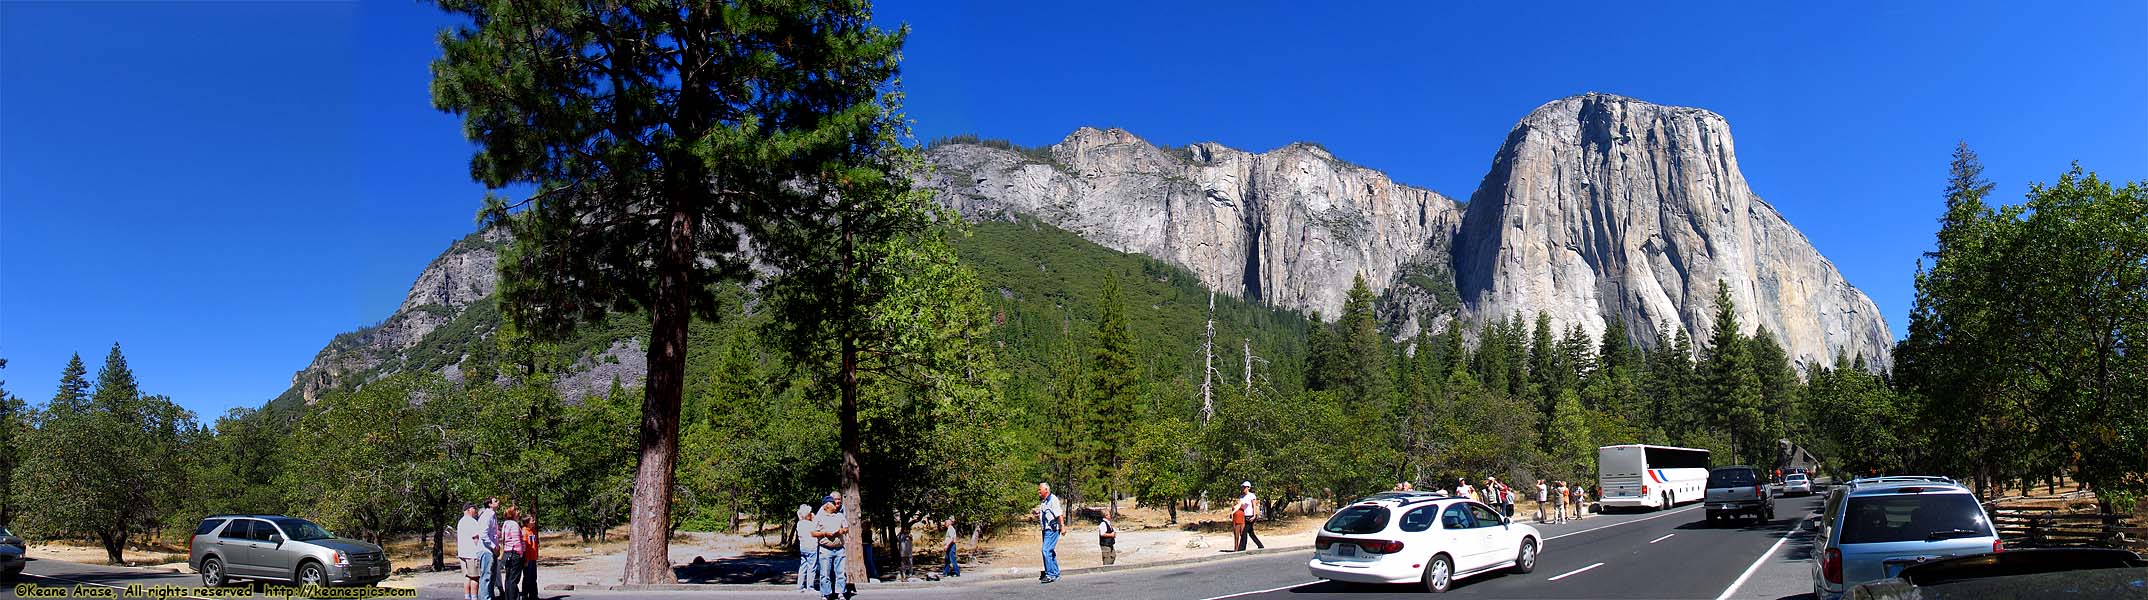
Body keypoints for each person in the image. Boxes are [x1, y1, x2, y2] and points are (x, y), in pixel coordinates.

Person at [812, 493, 850, 600]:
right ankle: (826, 594)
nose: (836, 503)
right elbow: (813, 533)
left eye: (837, 501)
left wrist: (841, 531)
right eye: (833, 502)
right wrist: (825, 533)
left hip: (839, 549)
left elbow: (846, 528)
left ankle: (840, 593)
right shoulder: (819, 516)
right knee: (824, 574)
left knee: (840, 573)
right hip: (825, 549)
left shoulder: (840, 515)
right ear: (827, 505)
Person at [1034, 483, 1064, 584]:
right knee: (1050, 551)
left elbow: (1059, 514)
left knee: (1045, 550)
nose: (1038, 492)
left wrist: (1062, 527)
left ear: (1046, 490)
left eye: (1040, 490)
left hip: (1052, 529)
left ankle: (1050, 574)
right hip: (1046, 530)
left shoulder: (1053, 499)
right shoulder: (1044, 502)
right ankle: (1055, 573)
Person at [499, 507, 527, 600]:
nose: (519, 512)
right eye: (516, 511)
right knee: (513, 579)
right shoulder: (514, 525)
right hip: (514, 553)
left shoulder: (506, 524)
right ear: (513, 514)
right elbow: (516, 541)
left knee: (509, 578)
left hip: (507, 553)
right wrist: (521, 554)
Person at [456, 504, 483, 600]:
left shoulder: (461, 522)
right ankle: (474, 597)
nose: (475, 511)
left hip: (462, 553)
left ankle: (467, 597)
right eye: (474, 509)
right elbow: (476, 538)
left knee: (467, 577)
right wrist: (480, 549)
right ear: (469, 509)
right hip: (472, 554)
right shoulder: (472, 522)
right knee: (475, 578)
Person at [478, 497, 501, 600]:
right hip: (486, 550)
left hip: (492, 551)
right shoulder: (487, 515)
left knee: (492, 577)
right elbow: (483, 534)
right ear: (490, 504)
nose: (498, 502)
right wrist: (493, 546)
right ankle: (485, 598)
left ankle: (490, 596)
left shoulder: (492, 515)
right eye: (495, 501)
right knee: (486, 577)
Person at [1236, 481, 1265, 551]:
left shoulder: (1251, 495)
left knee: (1244, 532)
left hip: (1251, 516)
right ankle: (1260, 545)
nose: (1243, 489)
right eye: (1242, 487)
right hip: (1244, 516)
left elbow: (1254, 505)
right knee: (1251, 533)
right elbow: (1240, 506)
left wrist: (1254, 515)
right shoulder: (1242, 497)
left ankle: (1242, 548)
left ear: (1248, 488)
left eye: (1244, 487)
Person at [796, 504, 819, 593]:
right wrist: (815, 518)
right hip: (812, 547)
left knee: (803, 566)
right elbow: (816, 529)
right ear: (807, 514)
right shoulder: (810, 524)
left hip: (803, 547)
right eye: (810, 513)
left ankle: (800, 586)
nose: (811, 514)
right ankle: (810, 587)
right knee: (812, 567)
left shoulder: (799, 524)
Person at [520, 512, 540, 600]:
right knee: (527, 577)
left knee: (533, 577)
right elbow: (525, 546)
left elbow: (535, 544)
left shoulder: (533, 531)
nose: (534, 522)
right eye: (532, 520)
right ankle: (525, 594)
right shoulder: (524, 531)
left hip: (533, 557)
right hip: (528, 558)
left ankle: (533, 595)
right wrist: (525, 559)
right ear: (527, 522)